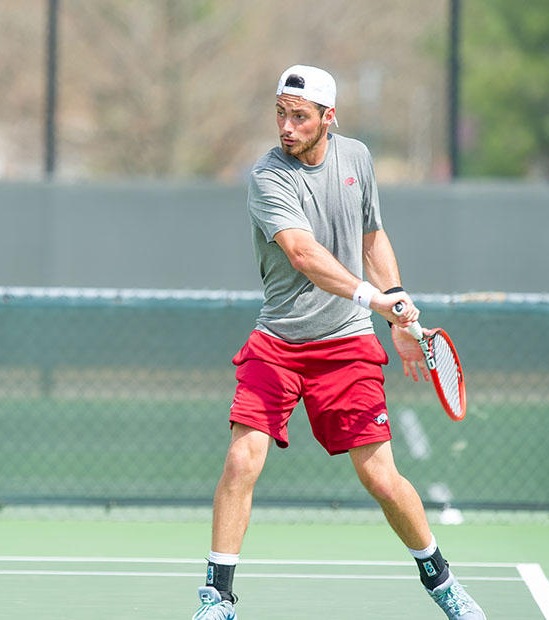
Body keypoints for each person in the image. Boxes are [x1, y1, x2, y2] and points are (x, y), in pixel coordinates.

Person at [191, 65, 486, 620]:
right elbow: (303, 255)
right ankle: (216, 596)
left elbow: (371, 233)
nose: (286, 126)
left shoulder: (357, 159)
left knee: (379, 475)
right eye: (280, 113)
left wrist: (396, 302)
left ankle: (442, 582)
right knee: (241, 459)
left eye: (299, 116)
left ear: (329, 118)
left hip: (346, 344)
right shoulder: (267, 176)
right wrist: (374, 301)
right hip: (278, 340)